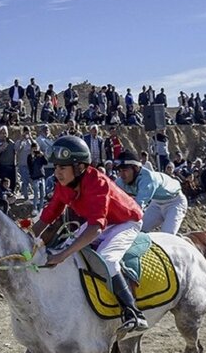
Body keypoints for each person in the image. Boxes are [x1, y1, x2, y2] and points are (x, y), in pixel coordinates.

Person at [31, 136, 148, 334]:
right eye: (56, 167)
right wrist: (26, 240)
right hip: (102, 223)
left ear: (79, 167)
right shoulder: (62, 186)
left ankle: (133, 313)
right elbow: (47, 217)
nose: (57, 172)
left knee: (106, 259)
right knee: (62, 247)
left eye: (62, 167)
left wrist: (63, 255)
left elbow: (95, 228)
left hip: (126, 222)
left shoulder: (98, 182)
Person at [115, 151, 189, 235]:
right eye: (119, 171)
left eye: (125, 170)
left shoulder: (148, 179)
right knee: (139, 230)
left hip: (175, 203)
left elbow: (137, 207)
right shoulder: (122, 180)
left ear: (136, 168)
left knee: (167, 235)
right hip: (156, 203)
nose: (121, 174)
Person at [27, 142, 48, 214]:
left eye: (36, 148)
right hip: (35, 178)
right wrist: (33, 156)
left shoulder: (40, 155)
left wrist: (42, 156)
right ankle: (34, 208)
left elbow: (46, 163)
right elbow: (29, 165)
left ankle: (40, 209)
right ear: (31, 149)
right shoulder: (29, 156)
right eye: (34, 148)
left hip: (41, 176)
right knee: (36, 194)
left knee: (43, 194)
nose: (35, 149)